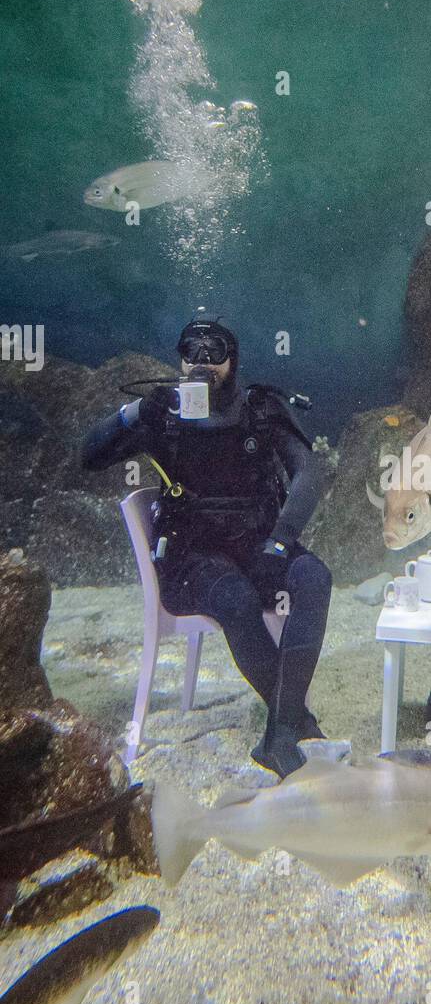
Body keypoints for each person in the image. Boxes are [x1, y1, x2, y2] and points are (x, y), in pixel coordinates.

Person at [81, 311, 332, 778]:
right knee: (235, 598)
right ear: (178, 360)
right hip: (190, 561)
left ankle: (279, 735)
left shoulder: (260, 410)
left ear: (233, 361)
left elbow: (308, 470)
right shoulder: (162, 416)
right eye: (190, 352)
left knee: (314, 576)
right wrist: (132, 414)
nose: (201, 362)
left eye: (214, 352)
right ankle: (298, 723)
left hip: (260, 547)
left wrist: (282, 538)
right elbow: (89, 457)